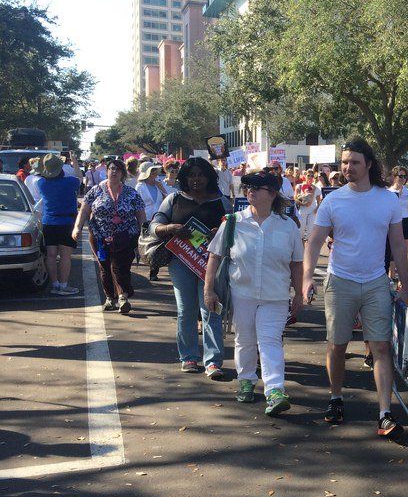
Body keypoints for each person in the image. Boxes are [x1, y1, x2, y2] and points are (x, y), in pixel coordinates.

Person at [302, 137, 408, 439]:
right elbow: (314, 241)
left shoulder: (388, 199)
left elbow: (398, 245)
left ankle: (385, 413)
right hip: (340, 281)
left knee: (380, 347)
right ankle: (335, 398)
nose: (348, 167)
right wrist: (307, 278)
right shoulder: (333, 200)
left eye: (354, 162)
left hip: (376, 282)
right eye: (344, 162)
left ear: (369, 165)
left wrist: (405, 283)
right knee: (337, 346)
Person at [204, 171, 304, 416]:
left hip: (276, 295)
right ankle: (246, 380)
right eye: (247, 188)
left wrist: (299, 294)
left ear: (272, 193)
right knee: (245, 339)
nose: (250, 192)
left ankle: (275, 390)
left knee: (270, 341)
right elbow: (214, 256)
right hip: (242, 293)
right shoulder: (234, 222)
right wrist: (209, 290)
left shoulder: (287, 225)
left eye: (256, 189)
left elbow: (296, 263)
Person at [149, 157, 227, 378]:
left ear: (209, 176)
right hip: (180, 262)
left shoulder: (222, 201)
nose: (196, 179)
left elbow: (235, 230)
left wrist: (219, 233)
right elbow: (154, 225)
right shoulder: (173, 199)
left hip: (211, 264)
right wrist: (170, 228)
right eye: (191, 175)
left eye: (201, 174)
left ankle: (213, 361)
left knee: (210, 309)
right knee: (186, 311)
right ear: (184, 177)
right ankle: (189, 356)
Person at [72, 158, 146, 313]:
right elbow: (85, 210)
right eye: (111, 169)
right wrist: (77, 228)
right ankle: (110, 298)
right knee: (105, 267)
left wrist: (143, 234)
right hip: (99, 236)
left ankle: (123, 296)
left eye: (118, 170)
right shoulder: (96, 191)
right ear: (106, 171)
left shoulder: (131, 193)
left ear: (123, 174)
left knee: (120, 266)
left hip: (126, 237)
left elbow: (141, 215)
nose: (114, 172)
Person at [36, 154, 81, 296]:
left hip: (48, 222)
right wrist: (74, 161)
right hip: (66, 222)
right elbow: (79, 176)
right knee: (65, 256)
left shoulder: (41, 183)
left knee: (50, 255)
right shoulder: (70, 182)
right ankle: (63, 285)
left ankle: (54, 284)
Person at [389, 165, 408, 278]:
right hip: (392, 222)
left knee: (404, 252)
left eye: (405, 176)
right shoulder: (388, 192)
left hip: (406, 221)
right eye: (400, 176)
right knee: (392, 250)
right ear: (394, 177)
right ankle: (391, 274)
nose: (403, 178)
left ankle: (402, 277)